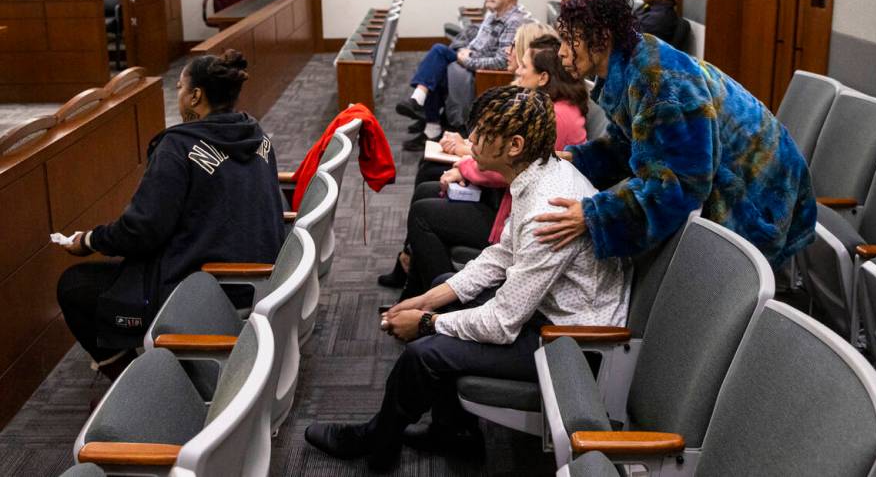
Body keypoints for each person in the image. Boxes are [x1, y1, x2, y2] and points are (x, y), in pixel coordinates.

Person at [305, 86, 630, 469]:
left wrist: (427, 322)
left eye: (480, 133)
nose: (470, 140)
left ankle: (378, 443)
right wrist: (427, 300)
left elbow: (501, 324)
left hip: (572, 342)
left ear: (514, 145)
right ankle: (452, 430)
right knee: (445, 282)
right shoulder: (539, 174)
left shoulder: (547, 208)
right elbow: (500, 254)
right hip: (547, 314)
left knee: (425, 352)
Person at [535, 0, 816, 270]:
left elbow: (682, 183)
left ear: (602, 38)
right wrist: (578, 159)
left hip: (758, 191)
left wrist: (594, 216)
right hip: (738, 173)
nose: (561, 52)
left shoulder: (659, 83)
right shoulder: (633, 61)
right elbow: (633, 143)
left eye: (570, 41)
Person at [56, 50, 285, 380]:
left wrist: (89, 240)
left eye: (179, 87)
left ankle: (132, 384)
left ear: (195, 95)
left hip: (209, 286)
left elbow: (141, 231)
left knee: (74, 286)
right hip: (260, 278)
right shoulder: (256, 134)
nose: (177, 96)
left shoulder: (177, 147)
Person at [398, 33, 589, 299]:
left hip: (514, 212)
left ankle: (433, 296)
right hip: (507, 202)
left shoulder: (553, 116)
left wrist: (465, 166)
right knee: (427, 189)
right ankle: (417, 284)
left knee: (423, 212)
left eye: (524, 67)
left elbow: (512, 165)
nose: (517, 71)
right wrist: (467, 163)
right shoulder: (544, 107)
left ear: (543, 77)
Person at [396, 0, 531, 151]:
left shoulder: (513, 22)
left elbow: (502, 62)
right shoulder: (493, 16)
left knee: (438, 54)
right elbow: (475, 43)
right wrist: (463, 51)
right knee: (436, 68)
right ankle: (429, 123)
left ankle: (421, 106)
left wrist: (467, 60)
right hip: (470, 60)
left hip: (481, 74)